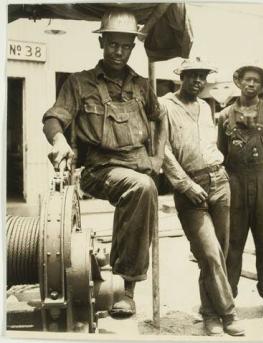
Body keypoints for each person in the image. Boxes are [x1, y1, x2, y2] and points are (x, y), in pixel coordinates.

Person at [42, 10, 166, 317]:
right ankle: (127, 290)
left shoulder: (140, 86)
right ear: (102, 43)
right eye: (113, 44)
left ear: (132, 48)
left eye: (125, 46)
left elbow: (160, 117)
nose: (119, 52)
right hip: (100, 169)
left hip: (139, 166)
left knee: (141, 187)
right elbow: (54, 118)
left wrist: (158, 157)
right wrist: (59, 141)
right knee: (141, 188)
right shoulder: (79, 83)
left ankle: (123, 281)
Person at [160, 57, 244, 336]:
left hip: (219, 181)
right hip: (190, 187)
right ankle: (228, 313)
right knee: (208, 253)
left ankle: (209, 314)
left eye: (202, 76)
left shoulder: (206, 107)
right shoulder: (165, 105)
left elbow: (213, 144)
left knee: (221, 252)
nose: (198, 80)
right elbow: (163, 151)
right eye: (192, 75)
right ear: (180, 77)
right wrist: (185, 184)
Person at [217, 64, 263, 320]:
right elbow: (219, 152)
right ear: (239, 82)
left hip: (262, 182)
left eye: (256, 81)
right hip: (234, 183)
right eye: (247, 80)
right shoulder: (225, 114)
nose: (251, 84)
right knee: (232, 243)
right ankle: (226, 299)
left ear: (262, 86)